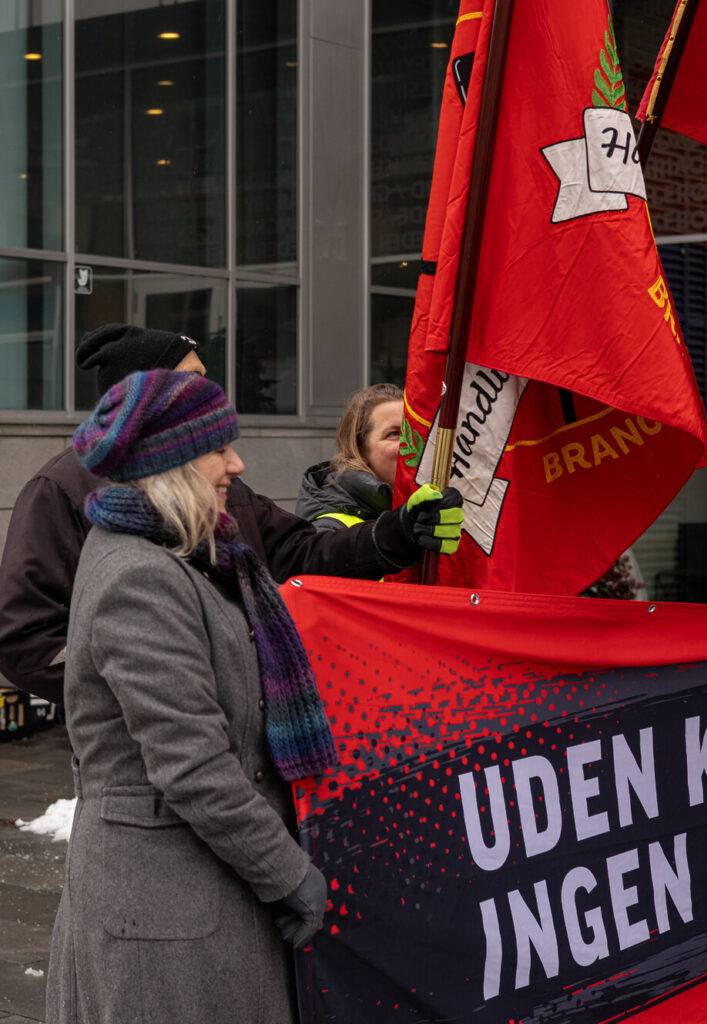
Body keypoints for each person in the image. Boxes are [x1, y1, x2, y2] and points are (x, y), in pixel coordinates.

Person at [46, 370, 330, 1022]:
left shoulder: (194, 557)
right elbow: (194, 765)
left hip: (200, 896)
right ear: (169, 464)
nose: (237, 464)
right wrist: (287, 873)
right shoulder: (139, 577)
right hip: (164, 915)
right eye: (217, 448)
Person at [0, 325, 459, 707]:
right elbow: (26, 639)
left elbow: (302, 552)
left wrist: (396, 533)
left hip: (241, 734)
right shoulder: (61, 489)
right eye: (193, 379)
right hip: (140, 749)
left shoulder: (219, 482)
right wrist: (149, 690)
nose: (210, 391)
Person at [296, 382, 403, 531]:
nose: (412, 445)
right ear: (359, 449)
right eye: (394, 434)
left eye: (415, 432)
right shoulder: (329, 531)